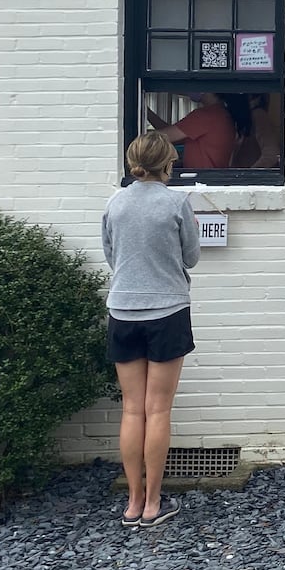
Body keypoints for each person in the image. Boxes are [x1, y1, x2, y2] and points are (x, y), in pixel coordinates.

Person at [102, 132, 200, 527]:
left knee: (132, 409)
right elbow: (191, 257)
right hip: (167, 310)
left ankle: (131, 502)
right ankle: (154, 503)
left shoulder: (114, 203)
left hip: (123, 311)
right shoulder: (177, 202)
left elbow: (111, 256)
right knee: (158, 409)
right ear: (168, 163)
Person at [146, 92, 249, 170]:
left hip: (201, 179)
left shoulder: (206, 115)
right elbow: (170, 133)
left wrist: (137, 139)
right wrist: (146, 112)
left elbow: (165, 136)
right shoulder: (222, 114)